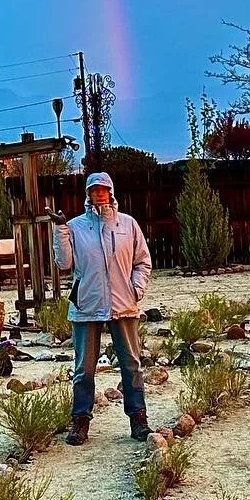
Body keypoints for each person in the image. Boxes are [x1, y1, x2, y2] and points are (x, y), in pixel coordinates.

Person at [51, 171, 152, 444]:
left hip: (123, 304)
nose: (99, 193)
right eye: (94, 189)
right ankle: (80, 421)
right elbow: (64, 264)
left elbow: (142, 262)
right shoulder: (74, 226)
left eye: (103, 189)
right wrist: (60, 231)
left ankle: (138, 419)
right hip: (87, 304)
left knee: (131, 364)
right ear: (88, 194)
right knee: (84, 368)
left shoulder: (128, 224)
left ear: (111, 191)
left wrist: (136, 289)